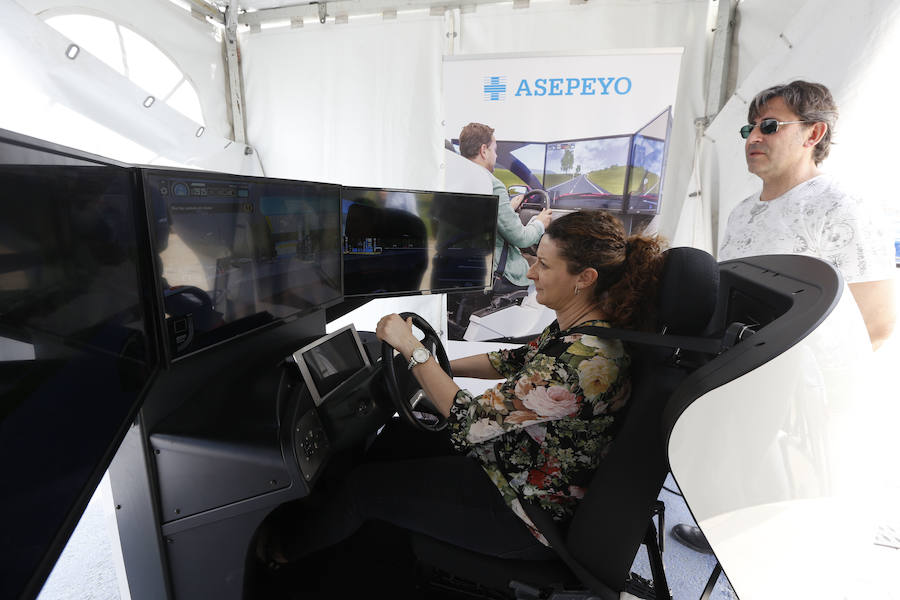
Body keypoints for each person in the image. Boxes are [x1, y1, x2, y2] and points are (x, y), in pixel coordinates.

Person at [255, 210, 666, 567]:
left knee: (365, 489)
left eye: (543, 264)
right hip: (517, 465)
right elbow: (510, 362)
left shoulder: (581, 363)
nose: (531, 272)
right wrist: (433, 362)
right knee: (400, 436)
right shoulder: (583, 333)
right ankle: (346, 528)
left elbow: (469, 421)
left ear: (585, 278)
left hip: (525, 514)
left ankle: (281, 554)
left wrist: (415, 352)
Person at [672, 79, 897, 555]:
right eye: (750, 127)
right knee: (741, 506)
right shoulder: (740, 213)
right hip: (744, 383)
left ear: (814, 134)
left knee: (799, 539)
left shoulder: (842, 205)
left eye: (769, 126)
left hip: (807, 407)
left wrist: (814, 404)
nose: (754, 137)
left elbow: (875, 324)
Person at [459, 122, 553, 294]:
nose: (495, 156)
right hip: (498, 276)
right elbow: (522, 238)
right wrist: (540, 222)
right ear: (483, 150)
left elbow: (477, 220)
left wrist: (507, 208)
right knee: (543, 277)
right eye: (495, 150)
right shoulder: (492, 185)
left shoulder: (457, 181)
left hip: (466, 270)